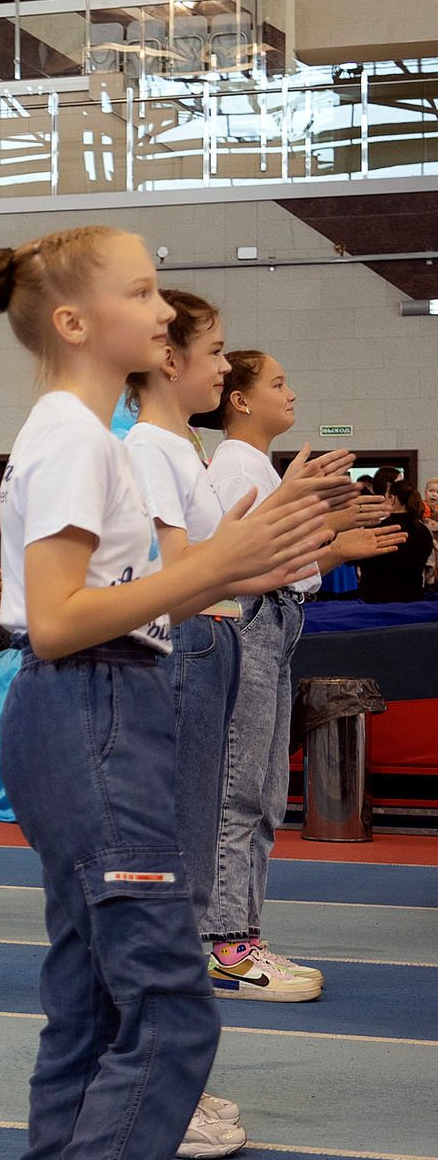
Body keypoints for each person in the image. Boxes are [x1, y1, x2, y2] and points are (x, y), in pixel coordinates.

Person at [0, 226, 323, 1160]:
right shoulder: (72, 435)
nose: (163, 313)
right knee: (171, 1010)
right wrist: (226, 566)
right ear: (74, 322)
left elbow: (119, 592)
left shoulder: (83, 435)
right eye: (138, 292)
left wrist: (247, 556)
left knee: (88, 1004)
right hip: (90, 708)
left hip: (97, 709)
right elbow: (64, 614)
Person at [197, 350, 401, 1003]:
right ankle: (225, 941)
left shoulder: (258, 464)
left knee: (262, 793)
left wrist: (332, 534)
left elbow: (277, 550)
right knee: (240, 790)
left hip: (278, 621)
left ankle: (242, 934)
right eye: (278, 383)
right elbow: (238, 560)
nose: (292, 392)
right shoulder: (234, 464)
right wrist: (329, 541)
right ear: (241, 401)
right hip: (252, 621)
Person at [356, 480, 432, 601]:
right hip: (413, 601)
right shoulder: (424, 532)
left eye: (386, 497)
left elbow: (353, 559)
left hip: (376, 603)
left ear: (392, 499)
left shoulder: (377, 529)